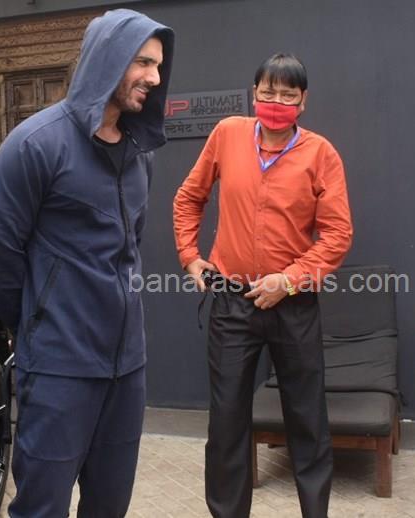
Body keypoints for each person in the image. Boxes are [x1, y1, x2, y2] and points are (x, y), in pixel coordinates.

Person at [0, 9, 173, 517]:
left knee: (110, 505)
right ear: (107, 59)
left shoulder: (140, 152)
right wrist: (38, 320)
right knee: (42, 507)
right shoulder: (35, 145)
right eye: (143, 62)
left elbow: (129, 246)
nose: (154, 76)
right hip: (58, 368)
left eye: (158, 65)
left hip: (127, 368)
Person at [173, 53, 352, 518]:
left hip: (293, 305)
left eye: (287, 95)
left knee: (307, 419)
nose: (276, 102)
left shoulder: (320, 153)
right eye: (268, 92)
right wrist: (190, 256)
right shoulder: (227, 134)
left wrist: (288, 281)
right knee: (226, 421)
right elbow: (189, 197)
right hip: (232, 303)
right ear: (253, 93)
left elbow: (337, 235)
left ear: (303, 101)